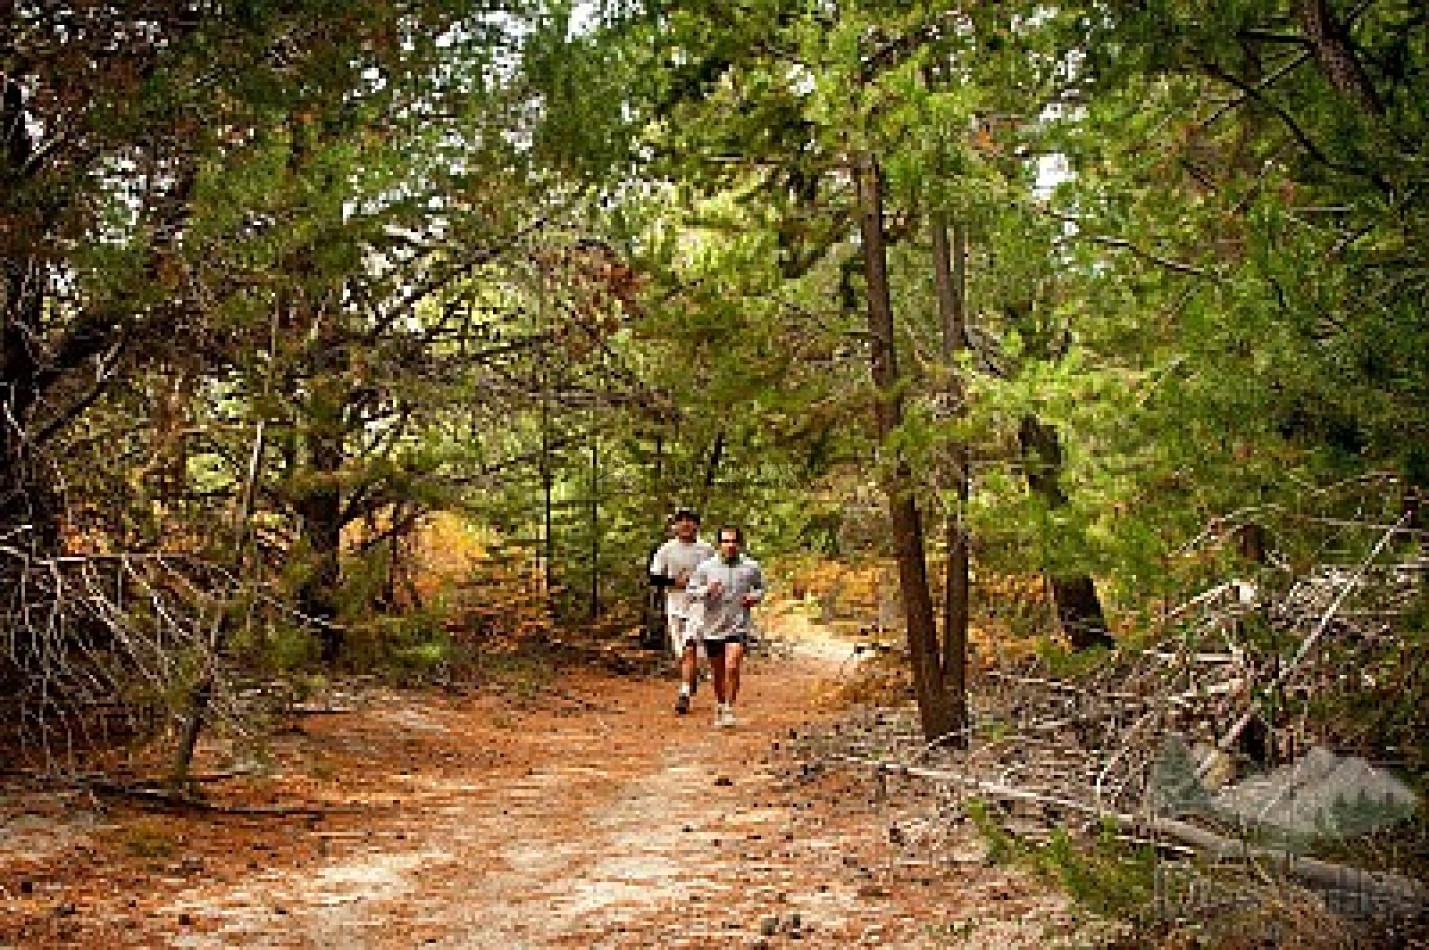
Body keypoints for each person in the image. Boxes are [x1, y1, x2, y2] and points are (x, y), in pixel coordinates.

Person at [686, 525, 764, 728]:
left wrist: (754, 597)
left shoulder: (751, 567)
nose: (730, 545)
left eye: (733, 541)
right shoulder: (706, 567)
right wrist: (706, 591)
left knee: (732, 666)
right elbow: (690, 592)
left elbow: (760, 589)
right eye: (726, 541)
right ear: (719, 544)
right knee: (718, 672)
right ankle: (720, 704)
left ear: (740, 544)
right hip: (713, 627)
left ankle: (729, 709)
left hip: (738, 625)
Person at [648, 508, 714, 714]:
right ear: (675, 526)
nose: (685, 525)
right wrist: (674, 582)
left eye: (690, 521)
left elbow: (717, 574)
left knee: (689, 645)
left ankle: (684, 694)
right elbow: (654, 577)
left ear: (697, 526)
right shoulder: (666, 550)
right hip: (675, 605)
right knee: (681, 652)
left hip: (698, 605)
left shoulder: (706, 550)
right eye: (681, 521)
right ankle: (690, 677)